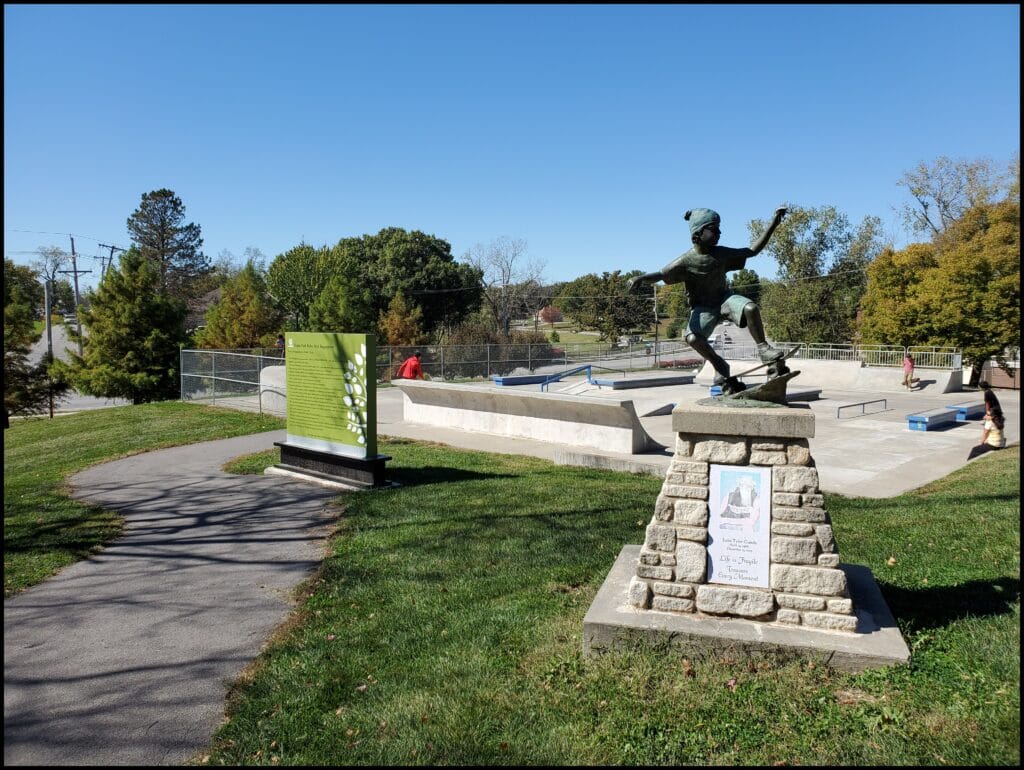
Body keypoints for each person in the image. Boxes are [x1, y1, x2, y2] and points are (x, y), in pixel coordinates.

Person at [626, 206, 789, 395]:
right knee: (693, 338)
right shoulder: (686, 261)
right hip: (704, 308)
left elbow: (752, 251)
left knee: (750, 308)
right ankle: (719, 365)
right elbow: (661, 275)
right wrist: (639, 278)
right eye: (713, 228)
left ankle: (764, 349)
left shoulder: (721, 253)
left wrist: (773, 224)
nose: (719, 232)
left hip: (724, 299)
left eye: (718, 228)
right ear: (698, 233)